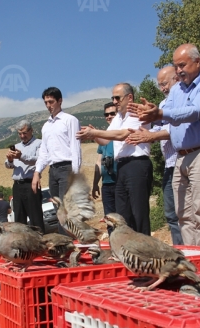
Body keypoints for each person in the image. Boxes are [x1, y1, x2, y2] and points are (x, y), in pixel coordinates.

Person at [128, 44, 200, 246]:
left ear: (197, 62)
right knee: (183, 215)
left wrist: (161, 114)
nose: (179, 70)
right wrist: (151, 114)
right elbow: (167, 118)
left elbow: (195, 111)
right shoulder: (176, 91)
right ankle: (191, 260)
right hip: (181, 156)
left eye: (182, 65)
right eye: (176, 66)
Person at [77, 83, 153, 234]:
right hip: (122, 167)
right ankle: (128, 248)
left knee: (139, 212)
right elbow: (106, 140)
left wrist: (95, 132)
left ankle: (146, 249)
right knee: (123, 213)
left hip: (137, 165)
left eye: (117, 98)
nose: (114, 101)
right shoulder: (118, 117)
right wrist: (94, 135)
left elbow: (122, 134)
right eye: (112, 98)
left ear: (129, 97)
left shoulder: (138, 112)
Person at [125, 66, 184, 245]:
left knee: (184, 214)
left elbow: (177, 127)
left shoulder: (182, 99)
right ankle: (179, 250)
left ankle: (190, 251)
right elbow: (159, 128)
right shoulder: (164, 104)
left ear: (176, 78)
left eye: (165, 83)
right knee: (171, 214)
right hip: (169, 164)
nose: (162, 88)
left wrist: (152, 135)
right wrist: (145, 130)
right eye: (159, 85)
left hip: (182, 161)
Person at [33, 87, 82, 212]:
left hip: (66, 169)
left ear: (60, 101)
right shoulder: (46, 126)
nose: (48, 105)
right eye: (46, 103)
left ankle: (68, 232)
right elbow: (44, 152)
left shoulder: (70, 120)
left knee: (66, 209)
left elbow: (75, 148)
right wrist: (37, 172)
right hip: (53, 171)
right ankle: (62, 232)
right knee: (58, 211)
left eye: (51, 102)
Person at [5, 120, 45, 232]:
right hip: (17, 185)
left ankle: (39, 243)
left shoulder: (39, 143)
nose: (22, 136)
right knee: (18, 217)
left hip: (31, 183)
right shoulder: (17, 146)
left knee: (35, 217)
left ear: (31, 130)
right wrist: (10, 160)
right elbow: (8, 166)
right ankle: (21, 244)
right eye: (20, 133)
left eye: (25, 133)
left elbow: (39, 160)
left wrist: (21, 156)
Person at [91, 102, 118, 234]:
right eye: (106, 114)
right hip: (107, 184)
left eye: (113, 113)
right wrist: (95, 183)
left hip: (120, 182)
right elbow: (99, 161)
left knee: (123, 219)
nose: (109, 116)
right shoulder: (103, 136)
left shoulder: (121, 133)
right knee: (110, 220)